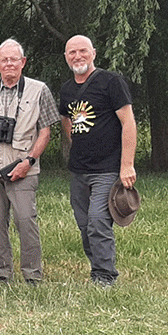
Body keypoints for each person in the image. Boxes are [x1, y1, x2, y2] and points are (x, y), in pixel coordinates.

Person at [0, 39, 60, 284]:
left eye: (14, 59)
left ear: (23, 63)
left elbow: (45, 132)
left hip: (23, 168)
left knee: (25, 222)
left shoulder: (39, 89)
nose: (9, 64)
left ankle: (32, 275)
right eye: (4, 60)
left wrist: (29, 162)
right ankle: (3, 275)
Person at [59, 35, 137, 286]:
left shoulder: (110, 82)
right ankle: (97, 267)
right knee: (84, 224)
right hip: (79, 169)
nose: (77, 56)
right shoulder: (67, 89)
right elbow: (66, 121)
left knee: (97, 221)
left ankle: (105, 276)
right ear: (66, 57)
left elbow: (128, 122)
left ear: (93, 52)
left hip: (107, 168)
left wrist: (126, 165)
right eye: (72, 52)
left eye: (82, 51)